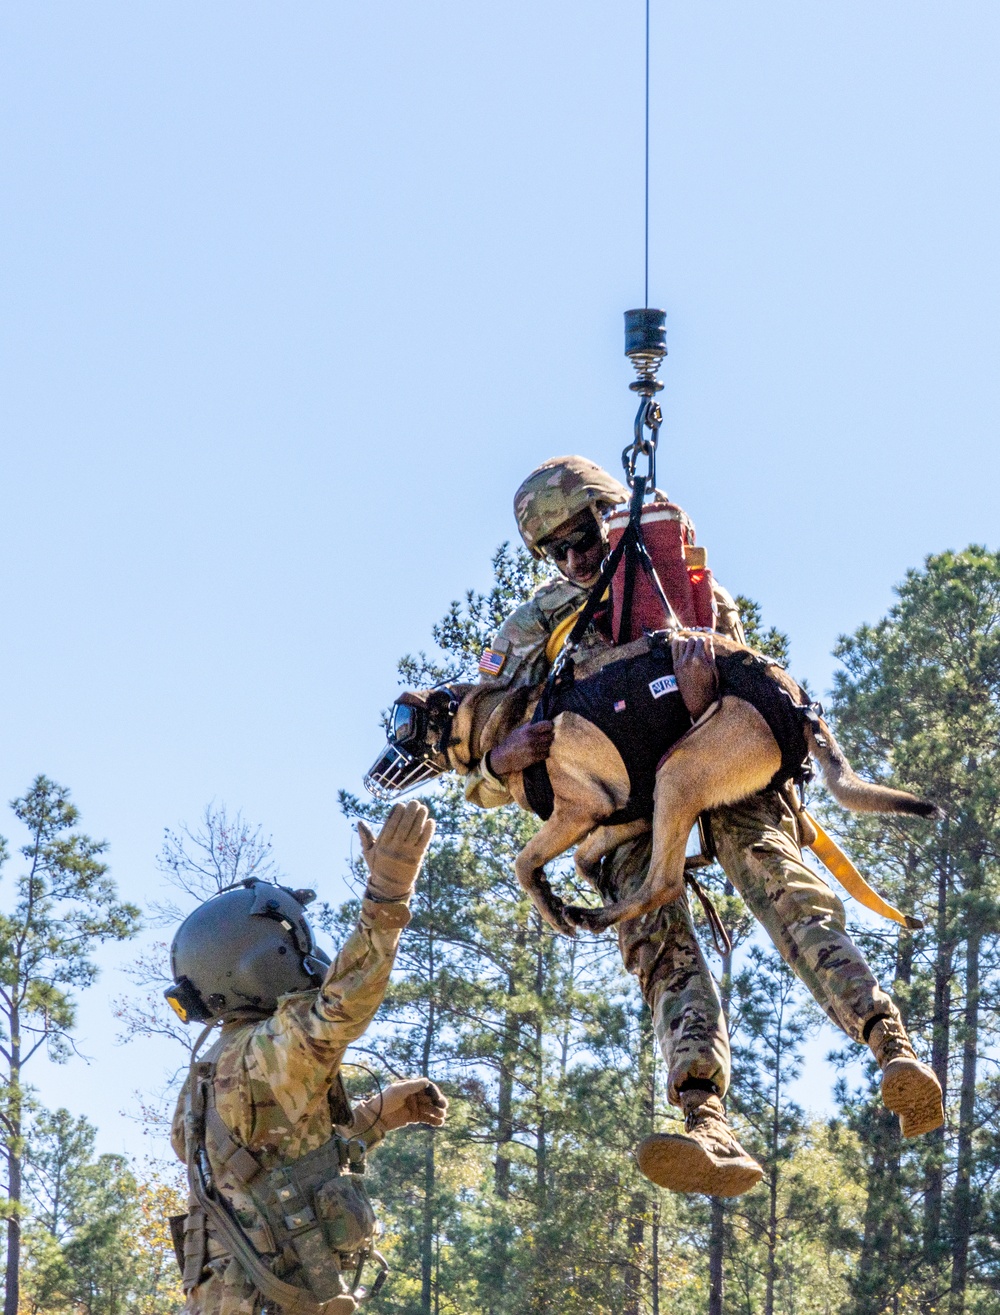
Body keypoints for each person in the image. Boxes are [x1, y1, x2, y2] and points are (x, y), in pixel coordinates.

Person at [465, 455, 943, 1197]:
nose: (575, 556)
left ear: (608, 515)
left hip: (714, 768)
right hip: (614, 813)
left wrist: (696, 699)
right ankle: (706, 1122)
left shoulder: (679, 584)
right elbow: (478, 736)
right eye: (555, 548)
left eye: (583, 535)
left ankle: (891, 1045)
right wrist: (501, 759)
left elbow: (741, 668)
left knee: (782, 886)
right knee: (662, 950)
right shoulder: (536, 625)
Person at [166, 800, 448, 1315]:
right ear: (263, 963)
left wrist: (374, 1119)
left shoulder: (214, 1071)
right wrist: (388, 896)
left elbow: (269, 1167)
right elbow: (341, 1009)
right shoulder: (263, 1054)